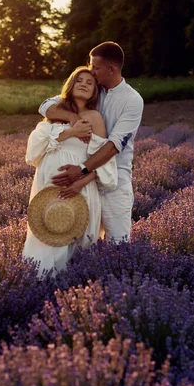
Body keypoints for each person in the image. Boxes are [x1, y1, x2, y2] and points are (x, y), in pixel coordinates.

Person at [38, 41, 143, 243]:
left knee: (118, 245)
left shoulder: (132, 100)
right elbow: (45, 106)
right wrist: (72, 117)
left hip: (114, 182)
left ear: (111, 69)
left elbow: (113, 146)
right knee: (81, 241)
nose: (91, 71)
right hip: (86, 184)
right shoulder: (93, 89)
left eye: (95, 67)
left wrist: (82, 170)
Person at [23, 66, 118, 276]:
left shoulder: (94, 117)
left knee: (74, 232)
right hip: (48, 183)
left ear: (94, 92)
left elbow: (103, 160)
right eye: (79, 80)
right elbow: (34, 147)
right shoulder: (56, 111)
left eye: (89, 83)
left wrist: (81, 181)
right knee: (48, 230)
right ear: (70, 84)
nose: (84, 84)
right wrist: (71, 131)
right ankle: (39, 285)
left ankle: (75, 290)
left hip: (79, 185)